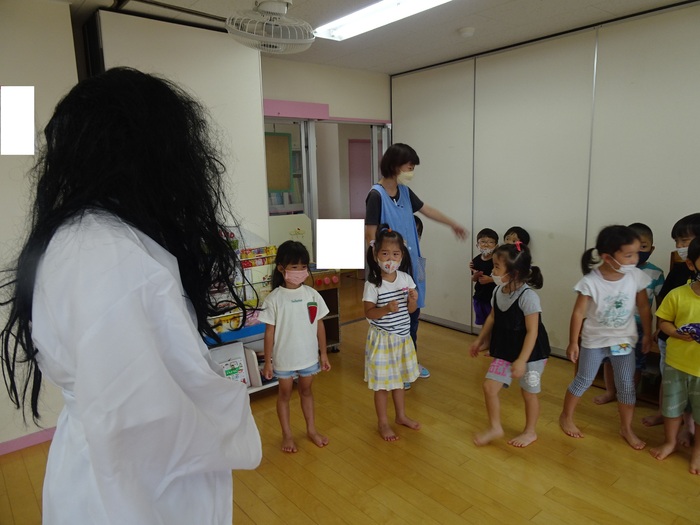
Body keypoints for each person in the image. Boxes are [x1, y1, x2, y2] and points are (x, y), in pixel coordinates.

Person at [0, 68, 261, 524]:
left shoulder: (86, 236)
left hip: (110, 469)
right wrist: (227, 406)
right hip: (137, 491)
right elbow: (147, 418)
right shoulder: (106, 254)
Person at [365, 143, 468, 380]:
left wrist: (452, 223)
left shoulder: (405, 192)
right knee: (393, 316)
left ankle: (410, 361)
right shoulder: (376, 195)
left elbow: (427, 210)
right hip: (391, 267)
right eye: (409, 167)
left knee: (412, 312)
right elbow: (370, 235)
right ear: (394, 165)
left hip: (412, 264)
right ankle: (393, 366)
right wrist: (382, 266)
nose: (411, 172)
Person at [559, 225, 652, 450]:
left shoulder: (636, 276)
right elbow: (578, 313)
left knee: (626, 385)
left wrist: (648, 334)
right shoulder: (591, 281)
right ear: (607, 257)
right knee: (583, 380)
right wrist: (573, 342)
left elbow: (643, 307)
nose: (635, 259)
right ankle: (566, 417)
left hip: (623, 341)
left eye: (637, 253)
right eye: (628, 255)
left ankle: (626, 428)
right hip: (595, 341)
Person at [469, 242, 550, 447]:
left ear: (513, 273)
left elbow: (533, 331)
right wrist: (480, 339)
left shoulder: (528, 297)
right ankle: (495, 427)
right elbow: (492, 317)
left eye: (497, 267)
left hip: (532, 355)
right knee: (489, 387)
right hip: (506, 350)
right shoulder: (498, 291)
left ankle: (530, 432)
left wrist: (522, 360)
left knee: (529, 393)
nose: (493, 270)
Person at [258, 240, 331, 453]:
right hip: (284, 359)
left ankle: (311, 430)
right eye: (294, 267)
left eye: (303, 267)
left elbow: (319, 324)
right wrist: (268, 362)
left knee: (306, 391)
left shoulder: (312, 295)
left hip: (308, 356)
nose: (300, 271)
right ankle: (287, 435)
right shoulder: (274, 299)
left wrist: (324, 354)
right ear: (282, 269)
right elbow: (269, 333)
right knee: (284, 394)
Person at [593, 222, 664, 405]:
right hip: (615, 325)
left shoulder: (655, 273)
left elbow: (661, 304)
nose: (638, 251)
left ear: (652, 248)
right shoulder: (615, 268)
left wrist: (657, 328)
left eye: (644, 247)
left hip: (638, 327)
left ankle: (628, 395)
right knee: (610, 359)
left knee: (635, 363)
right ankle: (610, 391)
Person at [363, 225, 421, 441]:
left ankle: (401, 416)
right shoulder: (373, 284)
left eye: (395, 254)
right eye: (385, 253)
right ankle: (383, 422)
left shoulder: (405, 279)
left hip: (402, 339)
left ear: (402, 255)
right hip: (383, 340)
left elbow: (411, 310)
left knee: (400, 379)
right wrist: (386, 309)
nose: (390, 259)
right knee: (382, 385)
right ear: (376, 255)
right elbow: (368, 313)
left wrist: (413, 300)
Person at [647, 213, 700, 443]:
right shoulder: (679, 270)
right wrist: (661, 327)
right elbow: (664, 301)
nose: (679, 247)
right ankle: (665, 414)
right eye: (676, 242)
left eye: (684, 241)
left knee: (693, 393)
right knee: (669, 383)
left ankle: (688, 426)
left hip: (695, 356)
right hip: (671, 341)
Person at [470, 228, 499, 325]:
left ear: (496, 246)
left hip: (493, 299)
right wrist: (475, 276)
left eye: (490, 242)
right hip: (479, 297)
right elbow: (474, 279)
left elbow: (504, 278)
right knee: (484, 324)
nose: (486, 245)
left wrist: (490, 279)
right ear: (477, 245)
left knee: (494, 324)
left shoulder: (498, 260)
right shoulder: (475, 260)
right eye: (483, 242)